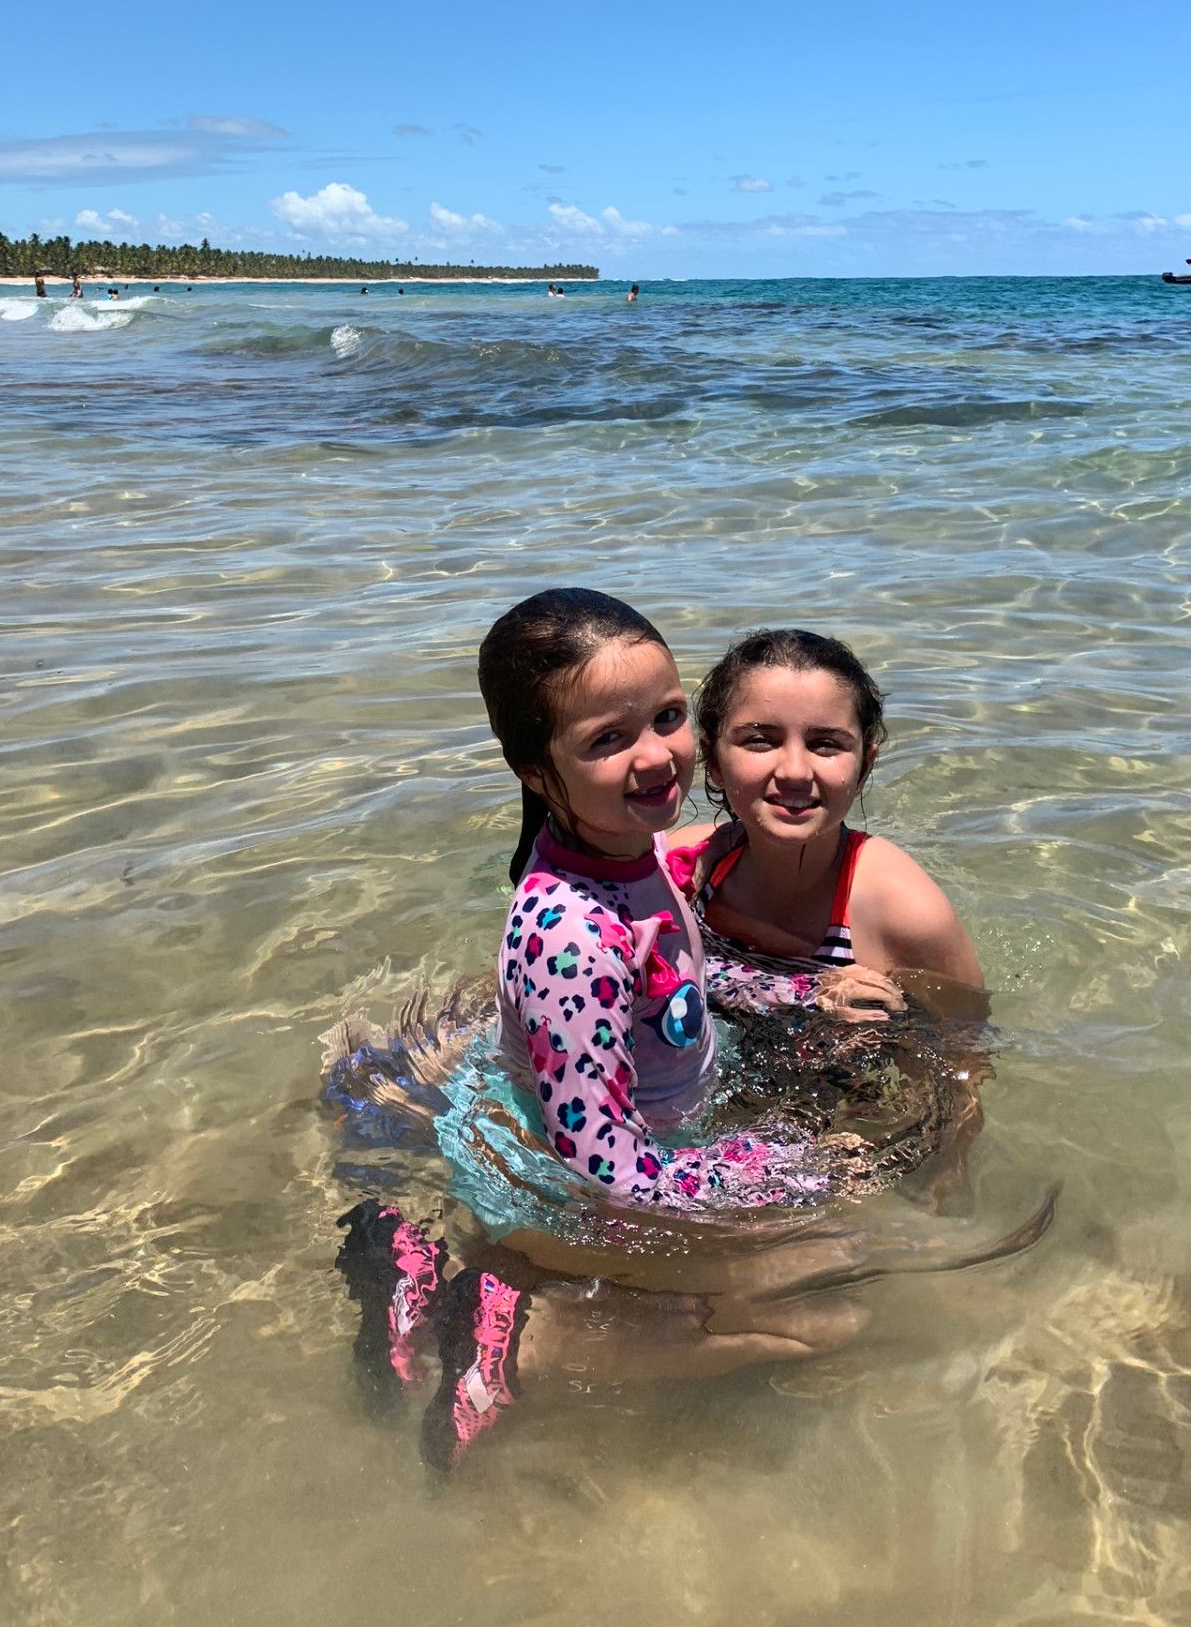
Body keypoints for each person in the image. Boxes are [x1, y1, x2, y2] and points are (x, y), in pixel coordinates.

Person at [336, 591, 903, 1472]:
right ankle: (509, 1334)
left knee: (835, 1283)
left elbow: (679, 976)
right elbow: (604, 1168)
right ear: (535, 769)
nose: (657, 757)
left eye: (669, 718)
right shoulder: (571, 935)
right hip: (547, 1182)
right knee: (828, 1318)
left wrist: (798, 996)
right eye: (608, 738)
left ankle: (469, 1286)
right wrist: (780, 1170)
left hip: (628, 1143)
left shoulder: (630, 854)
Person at [671, 629, 982, 988]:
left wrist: (892, 1030)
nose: (795, 772)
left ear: (864, 766)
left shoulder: (906, 914)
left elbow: (966, 1043)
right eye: (760, 740)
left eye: (826, 744)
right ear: (713, 761)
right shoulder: (684, 869)